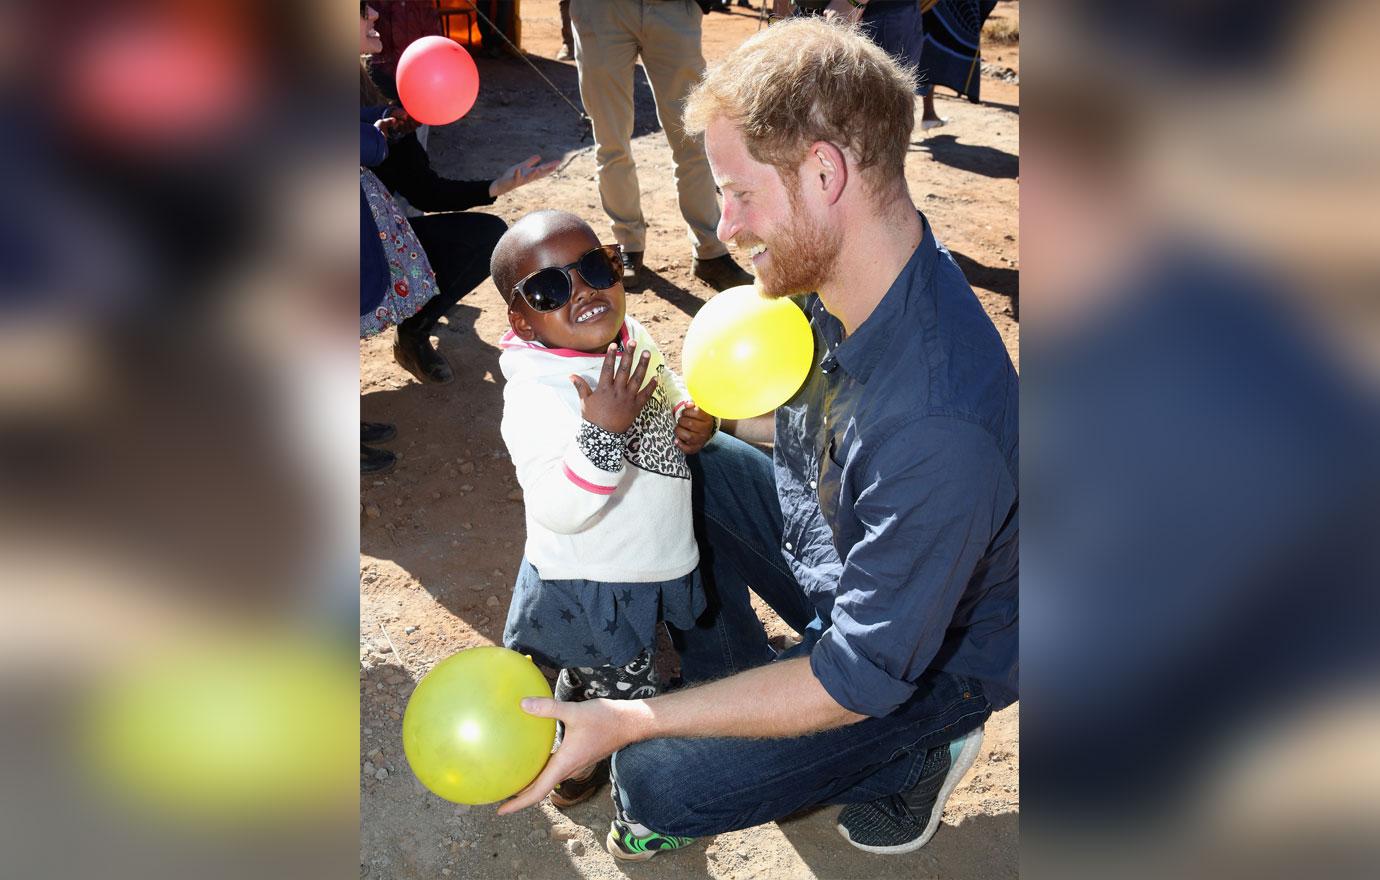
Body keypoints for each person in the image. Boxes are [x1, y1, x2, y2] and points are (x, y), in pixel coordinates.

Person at [497, 17, 1018, 863]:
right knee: (684, 465)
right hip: (848, 557)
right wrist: (707, 423)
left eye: (740, 192)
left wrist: (634, 716)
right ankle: (752, 687)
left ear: (824, 172)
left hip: (930, 658)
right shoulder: (855, 269)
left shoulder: (936, 422)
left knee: (657, 779)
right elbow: (823, 430)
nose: (728, 225)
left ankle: (916, 750)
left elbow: (858, 674)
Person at [490, 209, 718, 807]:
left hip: (643, 562)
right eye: (549, 288)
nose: (585, 291)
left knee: (600, 678)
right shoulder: (537, 395)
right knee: (632, 712)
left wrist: (688, 418)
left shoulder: (629, 336)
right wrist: (602, 435)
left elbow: (665, 391)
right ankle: (641, 811)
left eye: (596, 266)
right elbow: (557, 508)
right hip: (596, 583)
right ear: (521, 318)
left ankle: (574, 741)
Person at [360, 3, 560, 387]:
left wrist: (497, 186)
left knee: (487, 237)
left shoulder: (380, 87)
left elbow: (424, 190)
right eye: (360, 7)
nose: (374, 12)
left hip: (380, 241)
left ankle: (413, 334)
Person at [569, 0, 753, 292]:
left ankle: (711, 252)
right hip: (602, 10)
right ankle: (627, 246)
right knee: (610, 141)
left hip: (673, 8)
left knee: (693, 137)